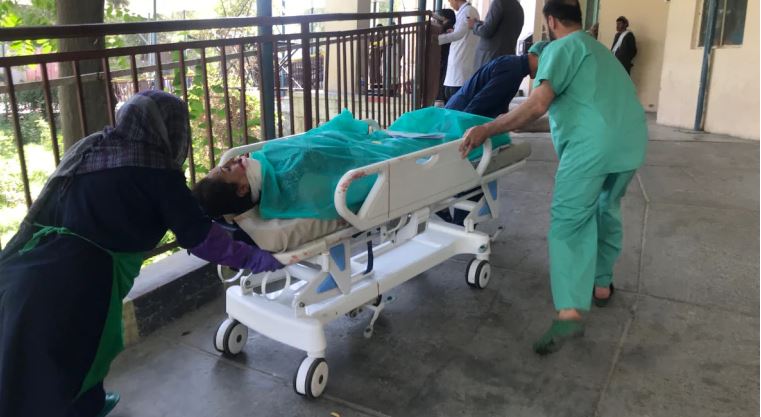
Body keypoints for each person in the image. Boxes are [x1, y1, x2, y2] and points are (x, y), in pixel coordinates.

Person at [0, 91, 282, 417]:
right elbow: (200, 237)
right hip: (77, 279)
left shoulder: (93, 147)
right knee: (77, 355)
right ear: (170, 131)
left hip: (29, 263)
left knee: (30, 359)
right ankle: (80, 407)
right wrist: (252, 258)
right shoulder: (156, 171)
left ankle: (86, 401)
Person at [459, 0, 648, 355]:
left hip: (593, 146)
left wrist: (488, 128)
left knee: (568, 223)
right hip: (631, 141)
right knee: (606, 207)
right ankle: (602, 284)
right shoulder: (598, 48)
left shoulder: (563, 47)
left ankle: (570, 312)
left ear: (551, 21)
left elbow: (537, 104)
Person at [446, 40, 549, 118]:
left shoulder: (515, 65)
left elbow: (498, 106)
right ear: (542, 57)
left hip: (457, 112)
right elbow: (480, 103)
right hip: (458, 115)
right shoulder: (513, 70)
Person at [437, 0, 480, 102]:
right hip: (462, 62)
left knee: (455, 98)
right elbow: (462, 32)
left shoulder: (467, 12)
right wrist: (454, 31)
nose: (450, 4)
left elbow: (459, 34)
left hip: (461, 63)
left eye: (450, 1)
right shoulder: (469, 11)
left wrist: (437, 39)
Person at [467, 0, 525, 69]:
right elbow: (501, 30)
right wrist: (480, 23)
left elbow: (486, 31)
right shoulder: (518, 7)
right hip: (506, 57)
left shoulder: (499, 2)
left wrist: (474, 25)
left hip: (491, 59)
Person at [433, 8, 457, 103]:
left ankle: (440, 98)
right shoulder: (453, 27)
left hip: (445, 58)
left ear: (444, 18)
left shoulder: (447, 27)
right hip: (448, 58)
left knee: (442, 80)